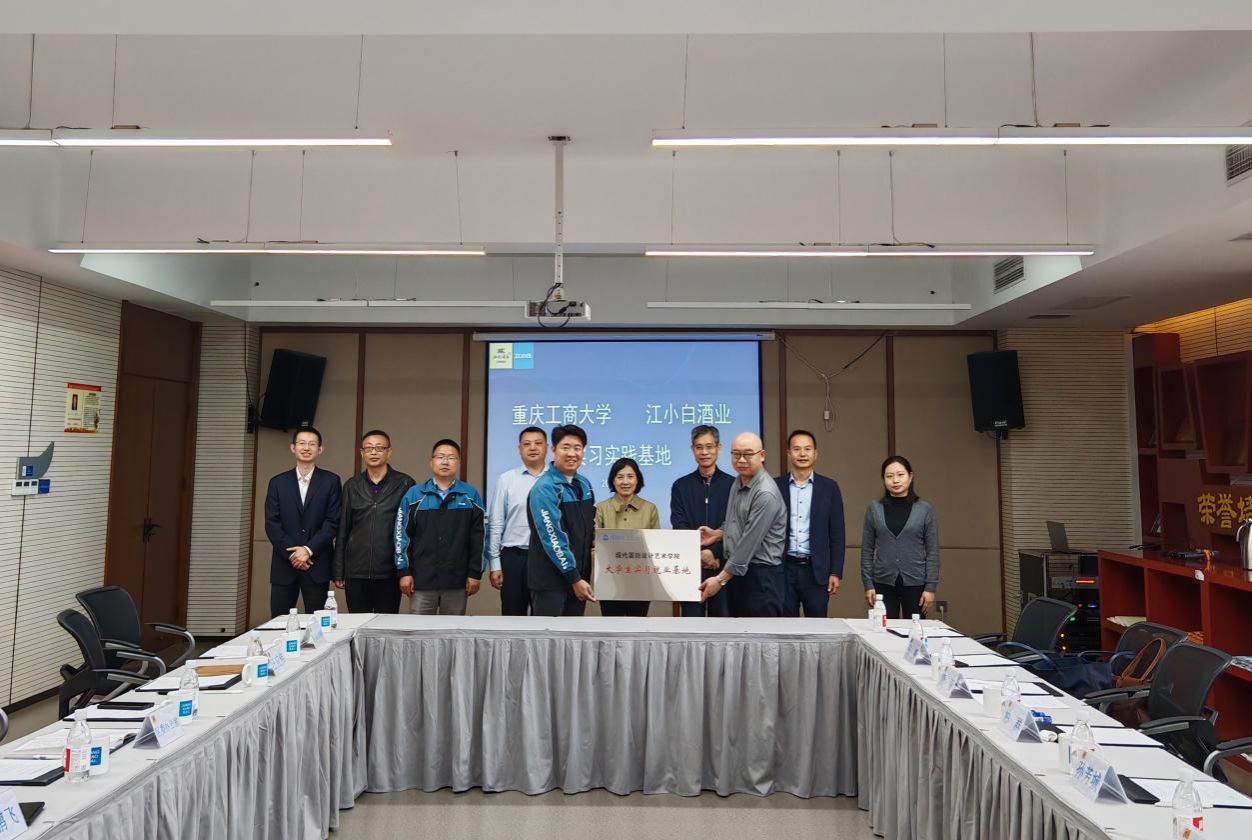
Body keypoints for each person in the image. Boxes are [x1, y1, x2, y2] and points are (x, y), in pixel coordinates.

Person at [696, 431, 787, 617]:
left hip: (761, 578)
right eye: (736, 454)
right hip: (738, 574)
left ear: (762, 455)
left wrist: (720, 580)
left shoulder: (765, 493)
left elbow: (748, 543)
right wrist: (718, 534)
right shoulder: (739, 481)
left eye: (748, 454)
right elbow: (738, 521)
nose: (741, 460)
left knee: (760, 634)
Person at [394, 439, 485, 616]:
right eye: (440, 457)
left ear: (458, 462)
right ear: (431, 461)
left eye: (451, 457)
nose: (445, 462)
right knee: (419, 631)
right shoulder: (414, 495)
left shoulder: (470, 495)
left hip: (457, 581)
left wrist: (475, 573)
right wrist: (404, 571)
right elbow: (401, 535)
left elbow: (479, 537)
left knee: (452, 631)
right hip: (421, 580)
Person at [332, 430, 415, 614]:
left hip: (390, 570)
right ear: (362, 453)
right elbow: (343, 529)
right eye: (369, 448)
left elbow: (411, 531)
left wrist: (407, 570)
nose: (374, 452)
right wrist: (338, 569)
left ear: (389, 452)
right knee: (357, 623)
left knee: (386, 625)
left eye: (379, 448)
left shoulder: (405, 484)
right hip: (356, 571)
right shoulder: (352, 485)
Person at [263, 426, 341, 617]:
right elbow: (272, 523)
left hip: (317, 562)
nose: (306, 448)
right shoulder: (277, 482)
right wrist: (294, 554)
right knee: (280, 622)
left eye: (312, 444)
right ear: (293, 447)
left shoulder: (331, 481)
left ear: (320, 449)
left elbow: (332, 521)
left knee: (318, 624)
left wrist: (307, 550)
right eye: (302, 443)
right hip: (284, 564)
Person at [527, 424, 596, 617]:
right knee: (547, 635)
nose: (572, 453)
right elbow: (552, 536)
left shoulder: (584, 484)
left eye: (577, 448)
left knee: (573, 635)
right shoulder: (545, 488)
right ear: (554, 450)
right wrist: (573, 577)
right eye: (566, 447)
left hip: (578, 579)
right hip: (551, 582)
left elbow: (588, 529)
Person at [776, 430, 845, 618]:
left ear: (815, 453)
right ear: (788, 453)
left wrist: (835, 572)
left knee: (818, 627)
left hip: (816, 571)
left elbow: (837, 534)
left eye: (807, 449)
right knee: (785, 627)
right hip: (784, 569)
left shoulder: (829, 488)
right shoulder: (776, 487)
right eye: (796, 449)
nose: (802, 454)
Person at [861, 455, 939, 620]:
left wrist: (930, 587)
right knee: (884, 630)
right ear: (883, 479)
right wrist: (868, 584)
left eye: (900, 475)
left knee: (915, 630)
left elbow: (932, 552)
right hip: (882, 582)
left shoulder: (924, 509)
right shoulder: (874, 509)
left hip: (916, 583)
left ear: (910, 476)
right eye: (889, 476)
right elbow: (867, 550)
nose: (895, 480)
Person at [670, 425, 734, 618]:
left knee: (722, 625)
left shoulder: (733, 485)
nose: (704, 452)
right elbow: (679, 525)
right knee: (691, 625)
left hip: (723, 567)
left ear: (718, 448)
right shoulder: (680, 486)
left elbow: (735, 526)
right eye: (699, 447)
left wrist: (713, 552)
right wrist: (699, 554)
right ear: (692, 450)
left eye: (709, 446)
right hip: (690, 568)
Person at [486, 426, 548, 615]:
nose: (533, 447)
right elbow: (496, 524)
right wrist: (495, 564)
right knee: (512, 618)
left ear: (547, 447)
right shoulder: (506, 480)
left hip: (547, 559)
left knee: (545, 619)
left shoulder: (556, 479)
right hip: (514, 558)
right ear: (519, 449)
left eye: (538, 443)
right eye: (527, 444)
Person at [594, 457, 660, 617]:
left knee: (638, 624)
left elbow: (655, 545)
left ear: (637, 480)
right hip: (609, 578)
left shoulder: (650, 508)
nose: (625, 482)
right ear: (612, 480)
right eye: (620, 477)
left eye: (630, 476)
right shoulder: (601, 508)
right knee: (611, 625)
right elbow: (595, 544)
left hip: (641, 579)